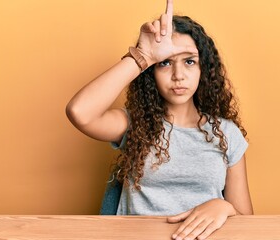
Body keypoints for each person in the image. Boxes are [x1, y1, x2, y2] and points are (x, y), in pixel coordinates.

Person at [66, 0, 253, 239]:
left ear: (203, 69)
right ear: (151, 73)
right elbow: (79, 112)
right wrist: (143, 56)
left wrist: (226, 207)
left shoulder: (226, 133)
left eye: (189, 61)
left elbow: (247, 222)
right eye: (165, 63)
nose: (178, 75)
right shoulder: (135, 125)